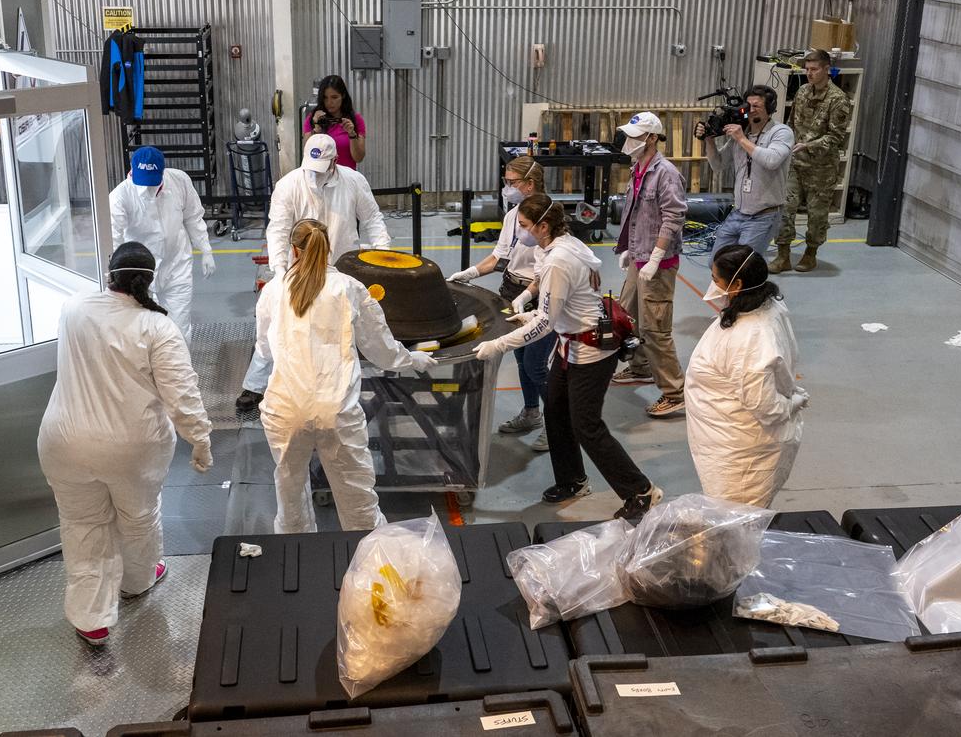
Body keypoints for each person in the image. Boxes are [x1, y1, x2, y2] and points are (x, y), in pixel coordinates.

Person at [37, 242, 213, 646]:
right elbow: (182, 396)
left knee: (82, 524)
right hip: (131, 450)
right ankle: (137, 581)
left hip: (63, 443)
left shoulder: (74, 309)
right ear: (150, 281)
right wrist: (200, 440)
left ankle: (91, 620)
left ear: (109, 274)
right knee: (138, 517)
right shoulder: (158, 328)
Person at [474, 194, 664, 521]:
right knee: (557, 411)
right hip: (570, 345)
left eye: (524, 225)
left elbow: (546, 324)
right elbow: (561, 305)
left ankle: (641, 491)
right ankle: (573, 481)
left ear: (543, 226)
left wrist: (499, 345)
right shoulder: (562, 246)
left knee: (587, 426)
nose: (520, 232)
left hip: (591, 351)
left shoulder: (558, 261)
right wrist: (529, 312)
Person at [256, 219, 436, 533]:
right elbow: (381, 348)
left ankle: (294, 553)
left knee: (289, 491)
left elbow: (265, 348)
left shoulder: (274, 289)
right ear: (329, 248)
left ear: (293, 250)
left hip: (285, 409)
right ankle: (366, 556)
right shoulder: (349, 288)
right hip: (336, 410)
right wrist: (412, 360)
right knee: (358, 498)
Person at [235, 134, 392, 411]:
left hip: (341, 269)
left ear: (335, 161)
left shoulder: (354, 181)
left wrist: (383, 255)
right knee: (278, 327)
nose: (315, 174)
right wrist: (280, 272)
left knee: (343, 329)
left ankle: (343, 383)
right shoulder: (289, 185)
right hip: (300, 270)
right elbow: (278, 229)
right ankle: (255, 384)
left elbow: (372, 218)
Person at [685, 244, 809, 507]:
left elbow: (766, 406)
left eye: (716, 279)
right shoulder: (766, 306)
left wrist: (792, 403)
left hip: (740, 454)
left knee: (735, 517)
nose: (712, 285)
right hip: (730, 437)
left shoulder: (750, 338)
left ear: (737, 284)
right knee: (738, 516)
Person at [447, 156, 553, 451]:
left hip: (537, 294)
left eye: (511, 182)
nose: (507, 187)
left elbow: (547, 270)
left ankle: (557, 423)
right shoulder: (513, 215)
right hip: (512, 289)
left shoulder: (547, 217)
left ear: (529, 184)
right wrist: (470, 272)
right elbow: (499, 257)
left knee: (535, 364)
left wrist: (527, 296)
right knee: (521, 358)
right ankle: (531, 412)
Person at [610, 112, 688, 420]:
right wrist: (629, 249)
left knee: (655, 328)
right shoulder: (638, 168)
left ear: (652, 138)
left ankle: (675, 392)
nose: (628, 141)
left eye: (635, 136)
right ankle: (641, 366)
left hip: (658, 262)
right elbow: (635, 213)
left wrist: (655, 258)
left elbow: (673, 217)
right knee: (626, 315)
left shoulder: (666, 173)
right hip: (639, 256)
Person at [110, 145, 215, 345]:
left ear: (162, 172)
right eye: (144, 182)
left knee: (179, 329)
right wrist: (115, 278)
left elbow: (193, 216)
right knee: (143, 332)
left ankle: (180, 365)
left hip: (177, 266)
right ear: (132, 172)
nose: (149, 189)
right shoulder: (120, 197)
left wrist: (206, 250)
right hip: (139, 275)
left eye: (153, 182)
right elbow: (114, 240)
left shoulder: (179, 181)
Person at [771, 50, 852, 273]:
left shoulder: (838, 99)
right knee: (785, 208)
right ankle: (783, 255)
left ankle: (810, 253)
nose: (809, 73)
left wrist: (809, 145)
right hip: (796, 163)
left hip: (821, 167)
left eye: (814, 69)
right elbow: (791, 123)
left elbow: (836, 137)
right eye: (807, 69)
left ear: (827, 70)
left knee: (817, 215)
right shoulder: (802, 91)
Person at [699, 85, 794, 258]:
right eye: (748, 105)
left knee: (743, 265)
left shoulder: (781, 132)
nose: (751, 110)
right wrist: (709, 139)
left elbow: (771, 161)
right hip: (739, 212)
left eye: (757, 106)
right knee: (716, 261)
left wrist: (741, 138)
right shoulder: (743, 133)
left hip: (764, 215)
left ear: (770, 108)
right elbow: (718, 165)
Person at [303, 74, 366, 169]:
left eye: (334, 97)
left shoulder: (355, 119)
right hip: (320, 176)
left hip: (345, 176)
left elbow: (358, 158)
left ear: (343, 96)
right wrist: (316, 130)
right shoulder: (313, 119)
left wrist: (352, 134)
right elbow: (307, 153)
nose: (329, 102)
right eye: (325, 98)